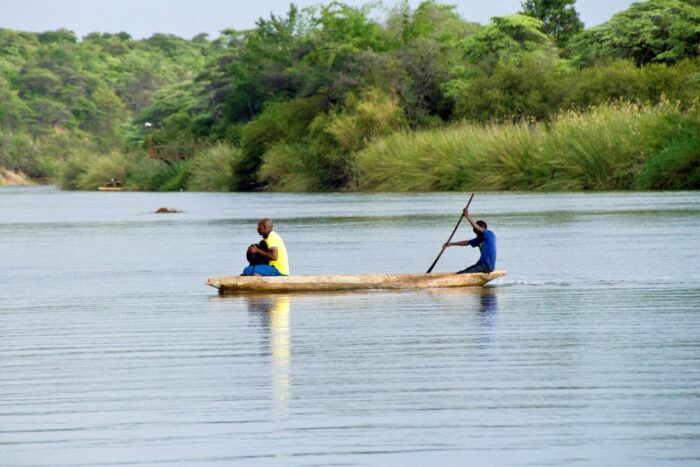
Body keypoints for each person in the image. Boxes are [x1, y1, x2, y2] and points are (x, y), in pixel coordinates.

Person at [443, 208, 496, 274]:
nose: (476, 234)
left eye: (477, 232)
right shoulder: (479, 239)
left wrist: (467, 216)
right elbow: (467, 242)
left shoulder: (489, 235)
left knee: (463, 274)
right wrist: (450, 244)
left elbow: (478, 228)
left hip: (487, 266)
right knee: (461, 272)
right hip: (481, 264)